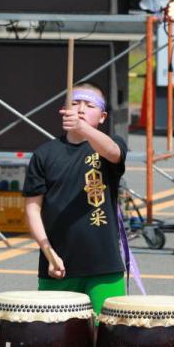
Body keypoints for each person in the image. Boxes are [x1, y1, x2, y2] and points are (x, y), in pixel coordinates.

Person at [23, 82, 128, 316]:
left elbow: (114, 153)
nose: (81, 109)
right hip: (58, 264)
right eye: (75, 103)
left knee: (110, 334)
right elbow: (32, 209)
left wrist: (84, 130)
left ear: (102, 117)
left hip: (104, 265)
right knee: (57, 337)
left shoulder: (109, 146)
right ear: (64, 110)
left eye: (89, 105)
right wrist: (47, 251)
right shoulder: (44, 154)